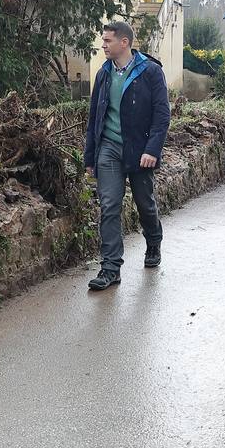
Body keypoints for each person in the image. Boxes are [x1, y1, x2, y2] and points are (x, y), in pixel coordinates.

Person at [84, 20, 171, 291]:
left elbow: (162, 114)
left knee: (145, 204)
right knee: (109, 205)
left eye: (107, 40)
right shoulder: (104, 73)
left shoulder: (150, 71)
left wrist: (152, 150)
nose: (103, 45)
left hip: (139, 149)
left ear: (124, 42)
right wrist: (90, 157)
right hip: (109, 147)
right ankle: (110, 268)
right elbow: (94, 117)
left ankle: (153, 240)